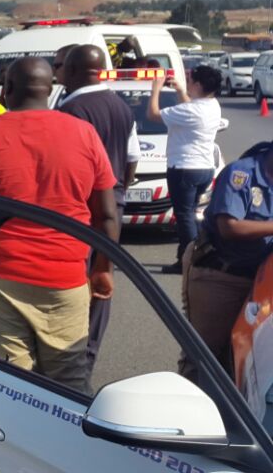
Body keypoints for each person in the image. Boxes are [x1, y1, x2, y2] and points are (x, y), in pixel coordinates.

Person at [0, 57, 119, 393]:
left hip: (2, 278)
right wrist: (103, 269)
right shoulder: (84, 134)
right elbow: (106, 215)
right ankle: (68, 445)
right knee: (70, 381)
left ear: (9, 90)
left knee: (9, 381)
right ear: (50, 90)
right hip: (66, 278)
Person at [58, 44, 138, 368]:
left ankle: (65, 354)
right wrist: (119, 189)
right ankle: (88, 353)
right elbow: (133, 158)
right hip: (113, 205)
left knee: (72, 277)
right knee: (102, 279)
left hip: (79, 207)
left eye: (60, 66)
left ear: (73, 71)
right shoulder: (121, 107)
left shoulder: (71, 109)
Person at [180, 142, 273, 381]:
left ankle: (228, 415)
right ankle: (185, 413)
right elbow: (229, 227)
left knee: (241, 359)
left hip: (260, 280)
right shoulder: (242, 174)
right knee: (204, 355)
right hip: (220, 276)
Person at [149, 65, 225, 274]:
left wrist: (155, 89)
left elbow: (153, 114)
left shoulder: (190, 110)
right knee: (190, 214)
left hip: (184, 168)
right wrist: (181, 91)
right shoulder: (212, 105)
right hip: (204, 168)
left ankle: (191, 260)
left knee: (184, 217)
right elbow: (189, 110)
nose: (188, 82)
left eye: (190, 80)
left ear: (199, 85)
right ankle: (185, 257)